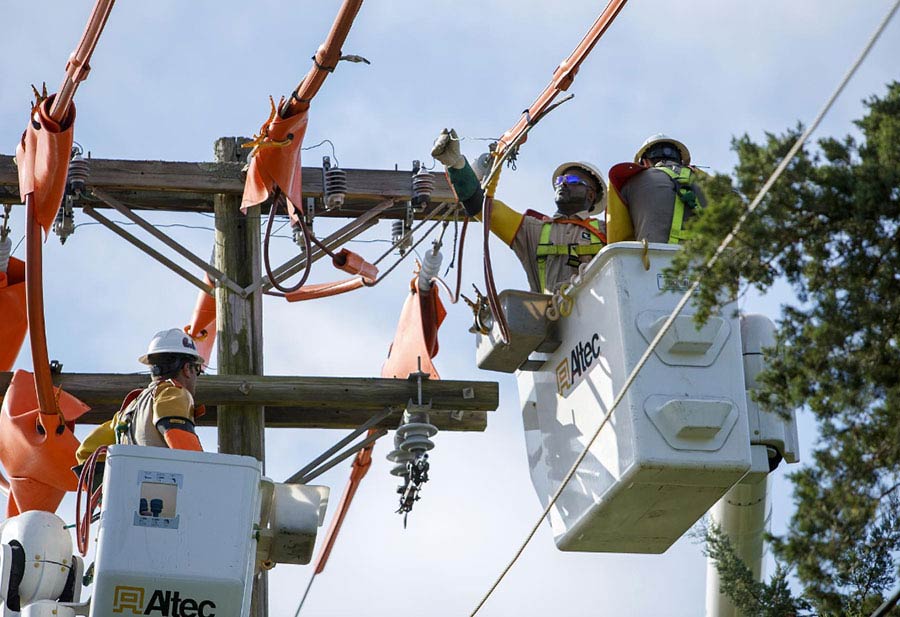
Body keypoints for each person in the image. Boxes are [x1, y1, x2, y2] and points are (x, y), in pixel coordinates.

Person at [431, 128, 607, 294]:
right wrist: (456, 164)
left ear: (591, 195)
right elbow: (481, 208)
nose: (563, 183)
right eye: (560, 179)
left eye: (572, 179)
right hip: (553, 319)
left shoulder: (606, 231)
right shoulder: (533, 230)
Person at [73, 329, 205, 478]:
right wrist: (203, 476)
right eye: (197, 370)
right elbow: (183, 445)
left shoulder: (126, 413)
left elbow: (86, 452)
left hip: (132, 495)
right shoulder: (173, 393)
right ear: (187, 369)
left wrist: (108, 493)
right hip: (168, 493)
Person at [606, 133, 707, 244]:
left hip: (652, 258)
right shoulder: (709, 181)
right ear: (681, 160)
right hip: (710, 258)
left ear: (645, 162)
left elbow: (619, 241)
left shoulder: (631, 182)